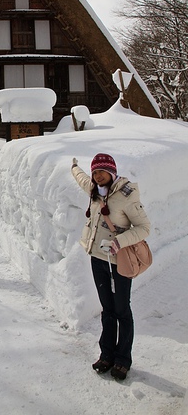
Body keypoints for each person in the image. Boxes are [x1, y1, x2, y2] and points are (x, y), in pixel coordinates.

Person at [71, 153, 150, 381]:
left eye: (102, 172)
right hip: (98, 260)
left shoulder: (127, 195)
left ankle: (123, 359)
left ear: (112, 173)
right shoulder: (95, 190)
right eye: (95, 172)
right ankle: (106, 354)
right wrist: (74, 167)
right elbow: (83, 179)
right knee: (107, 310)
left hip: (119, 262)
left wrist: (119, 242)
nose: (97, 176)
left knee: (122, 310)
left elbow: (144, 227)